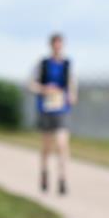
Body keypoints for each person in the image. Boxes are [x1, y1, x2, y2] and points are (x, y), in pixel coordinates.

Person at [28, 33, 76, 195]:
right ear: (51, 45)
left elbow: (71, 84)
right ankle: (44, 171)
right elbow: (31, 84)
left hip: (62, 108)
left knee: (62, 144)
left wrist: (71, 95)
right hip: (46, 108)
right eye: (55, 44)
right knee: (47, 146)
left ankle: (63, 178)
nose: (58, 47)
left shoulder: (68, 64)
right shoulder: (42, 64)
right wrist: (44, 89)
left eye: (60, 44)